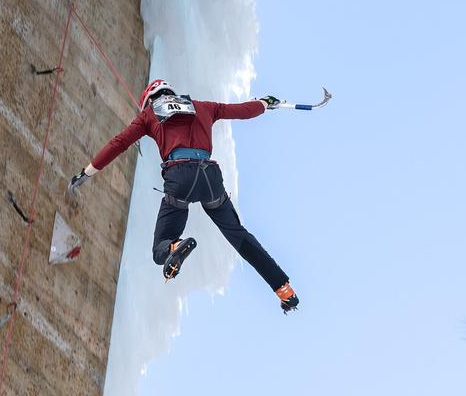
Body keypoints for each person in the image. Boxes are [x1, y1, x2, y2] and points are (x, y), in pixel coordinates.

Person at [68, 78, 300, 313]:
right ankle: (283, 288)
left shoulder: (149, 114)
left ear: (149, 99)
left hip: (179, 179)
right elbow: (242, 111)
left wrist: (86, 173)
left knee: (160, 247)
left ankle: (173, 247)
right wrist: (263, 103)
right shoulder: (202, 106)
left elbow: (118, 143)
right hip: (210, 178)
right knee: (239, 236)